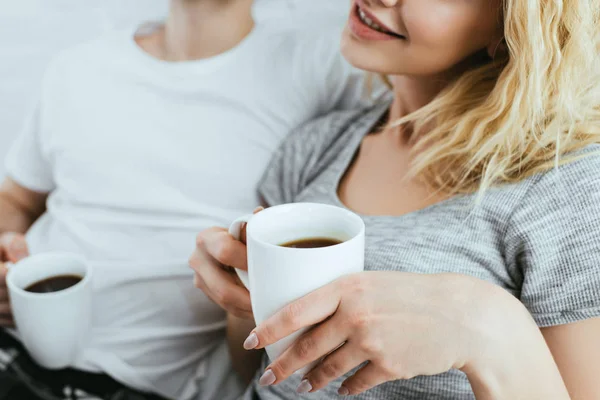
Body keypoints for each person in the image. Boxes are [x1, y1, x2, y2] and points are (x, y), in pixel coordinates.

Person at [189, 0, 600, 398]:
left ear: (511, 28)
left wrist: (488, 324)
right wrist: (244, 292)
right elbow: (255, 371)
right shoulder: (316, 147)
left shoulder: (567, 183)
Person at [0, 0, 371, 399]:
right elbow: (17, 198)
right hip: (13, 344)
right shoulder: (76, 66)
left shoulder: (324, 67)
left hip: (146, 386)